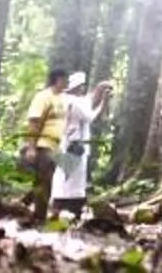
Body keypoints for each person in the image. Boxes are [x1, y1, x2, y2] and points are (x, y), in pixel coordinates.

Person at [49, 76, 113, 218]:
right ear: (76, 87)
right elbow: (90, 117)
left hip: (74, 145)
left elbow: (90, 99)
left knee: (74, 182)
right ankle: (59, 219)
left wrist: (101, 88)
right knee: (67, 181)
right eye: (81, 86)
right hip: (71, 145)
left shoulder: (74, 100)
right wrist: (104, 102)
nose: (83, 89)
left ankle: (71, 219)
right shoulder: (70, 101)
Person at [18, 70, 74, 212]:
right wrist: (31, 147)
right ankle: (39, 216)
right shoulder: (43, 97)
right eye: (66, 80)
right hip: (43, 145)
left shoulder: (63, 98)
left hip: (56, 146)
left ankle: (25, 203)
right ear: (58, 79)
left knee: (47, 180)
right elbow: (34, 122)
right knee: (46, 180)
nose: (68, 83)